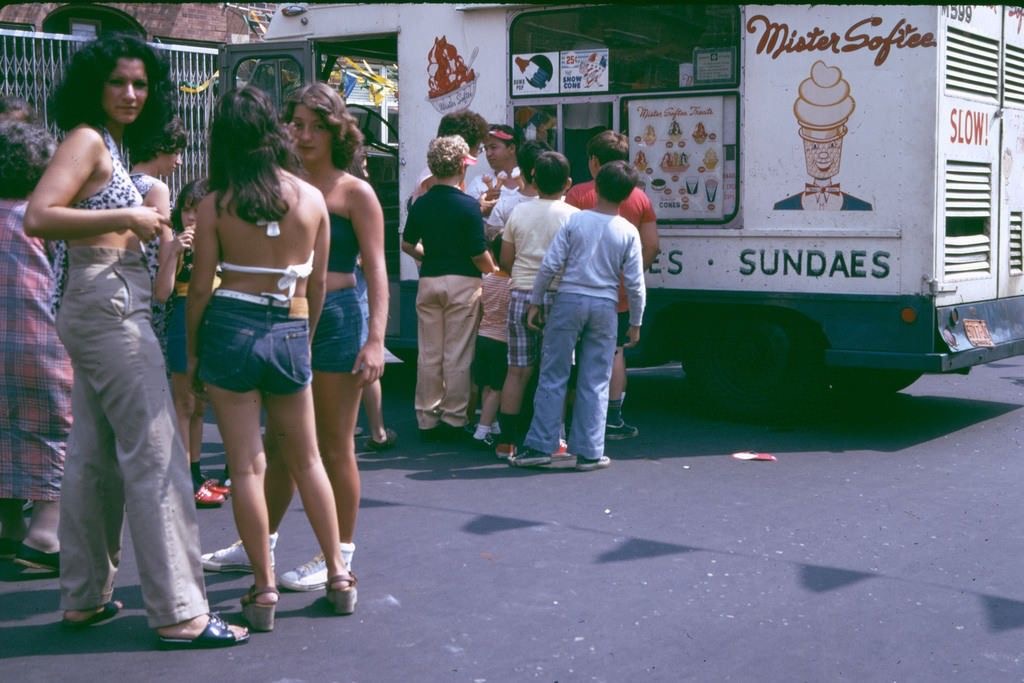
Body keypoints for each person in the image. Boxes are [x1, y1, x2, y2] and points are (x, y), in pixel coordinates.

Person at [23, 32, 247, 648]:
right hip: (109, 302)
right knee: (155, 455)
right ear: (93, 86)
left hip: (99, 299)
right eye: (118, 81)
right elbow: (39, 216)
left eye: (140, 84)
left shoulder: (107, 143)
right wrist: (130, 216)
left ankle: (85, 596)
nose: (130, 93)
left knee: (94, 458)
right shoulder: (88, 140)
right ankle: (180, 612)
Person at [187, 87, 356, 628]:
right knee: (308, 459)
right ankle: (339, 574)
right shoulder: (311, 199)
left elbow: (200, 287)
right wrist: (303, 337)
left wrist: (192, 354)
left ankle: (263, 589)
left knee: (246, 465)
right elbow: (319, 284)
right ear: (275, 131)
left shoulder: (216, 202)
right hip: (289, 325)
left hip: (230, 325)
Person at [510, 160, 646, 471]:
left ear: (596, 187)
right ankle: (590, 452)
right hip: (605, 306)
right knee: (596, 379)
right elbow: (635, 283)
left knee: (553, 373)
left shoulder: (576, 221)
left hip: (568, 300)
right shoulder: (628, 231)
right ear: (627, 195)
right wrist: (636, 321)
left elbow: (550, 264)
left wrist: (536, 302)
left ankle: (540, 446)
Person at [0, 120, 69, 573]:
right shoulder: (42, 219)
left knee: (3, 435)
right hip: (40, 341)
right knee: (56, 430)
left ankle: (8, 530)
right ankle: (44, 534)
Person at [565, 131, 659, 440]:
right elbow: (652, 246)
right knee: (614, 353)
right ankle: (613, 417)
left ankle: (574, 419)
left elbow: (567, 241)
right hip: (617, 293)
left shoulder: (578, 194)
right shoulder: (640, 198)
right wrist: (630, 274)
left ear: (594, 161)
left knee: (576, 354)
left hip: (580, 289)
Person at [402, 135, 496, 440]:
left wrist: (428, 256)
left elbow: (407, 244)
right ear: (461, 166)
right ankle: (453, 418)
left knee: (429, 354)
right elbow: (477, 253)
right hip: (463, 283)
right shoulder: (468, 206)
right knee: (457, 354)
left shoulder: (422, 203)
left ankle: (426, 418)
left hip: (429, 280)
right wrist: (494, 271)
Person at [494, 151, 578, 459]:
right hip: (559, 297)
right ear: (568, 183)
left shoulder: (519, 212)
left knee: (517, 370)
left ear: (533, 178)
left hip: (521, 294)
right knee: (555, 372)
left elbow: (506, 259)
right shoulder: (574, 216)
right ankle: (555, 438)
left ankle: (507, 440)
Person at [164, 180, 230, 507]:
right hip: (183, 314)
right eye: (187, 210)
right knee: (184, 402)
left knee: (202, 403)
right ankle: (183, 478)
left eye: (197, 210)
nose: (191, 217)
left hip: (216, 316)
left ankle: (195, 471)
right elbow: (163, 290)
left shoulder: (220, 241)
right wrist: (175, 251)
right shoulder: (177, 243)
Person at [469, 234, 512, 447]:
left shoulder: (487, 280)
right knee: (498, 388)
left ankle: (493, 425)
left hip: (483, 337)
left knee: (485, 385)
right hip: (501, 341)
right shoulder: (512, 284)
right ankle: (482, 431)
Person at [410, 108, 489, 204]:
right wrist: (477, 208)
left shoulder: (448, 172)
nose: (477, 154)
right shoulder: (437, 178)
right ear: (463, 147)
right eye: (477, 148)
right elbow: (444, 210)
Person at [465, 124, 522, 219]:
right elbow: (466, 216)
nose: (488, 154)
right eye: (486, 149)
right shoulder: (479, 183)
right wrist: (481, 205)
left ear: (512, 148)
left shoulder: (531, 182)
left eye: (493, 147)